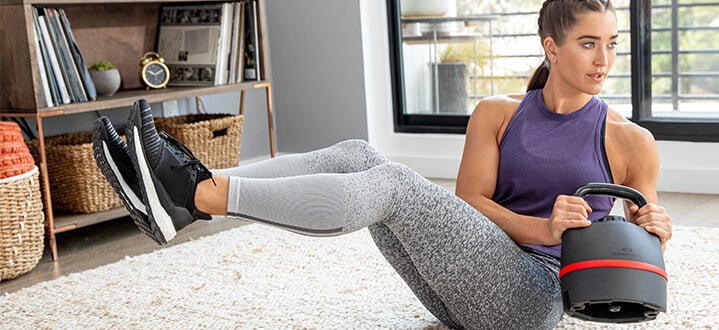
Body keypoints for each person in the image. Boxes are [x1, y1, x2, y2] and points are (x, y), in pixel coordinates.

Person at [90, 1, 671, 329]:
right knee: (356, 154)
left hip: (534, 300)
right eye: (589, 43)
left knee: (391, 182)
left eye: (612, 43)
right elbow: (470, 204)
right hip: (458, 288)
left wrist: (652, 234)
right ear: (552, 46)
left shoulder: (630, 140)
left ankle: (192, 196)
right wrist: (539, 222)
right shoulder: (498, 113)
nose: (605, 58)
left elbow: (634, 268)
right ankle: (194, 187)